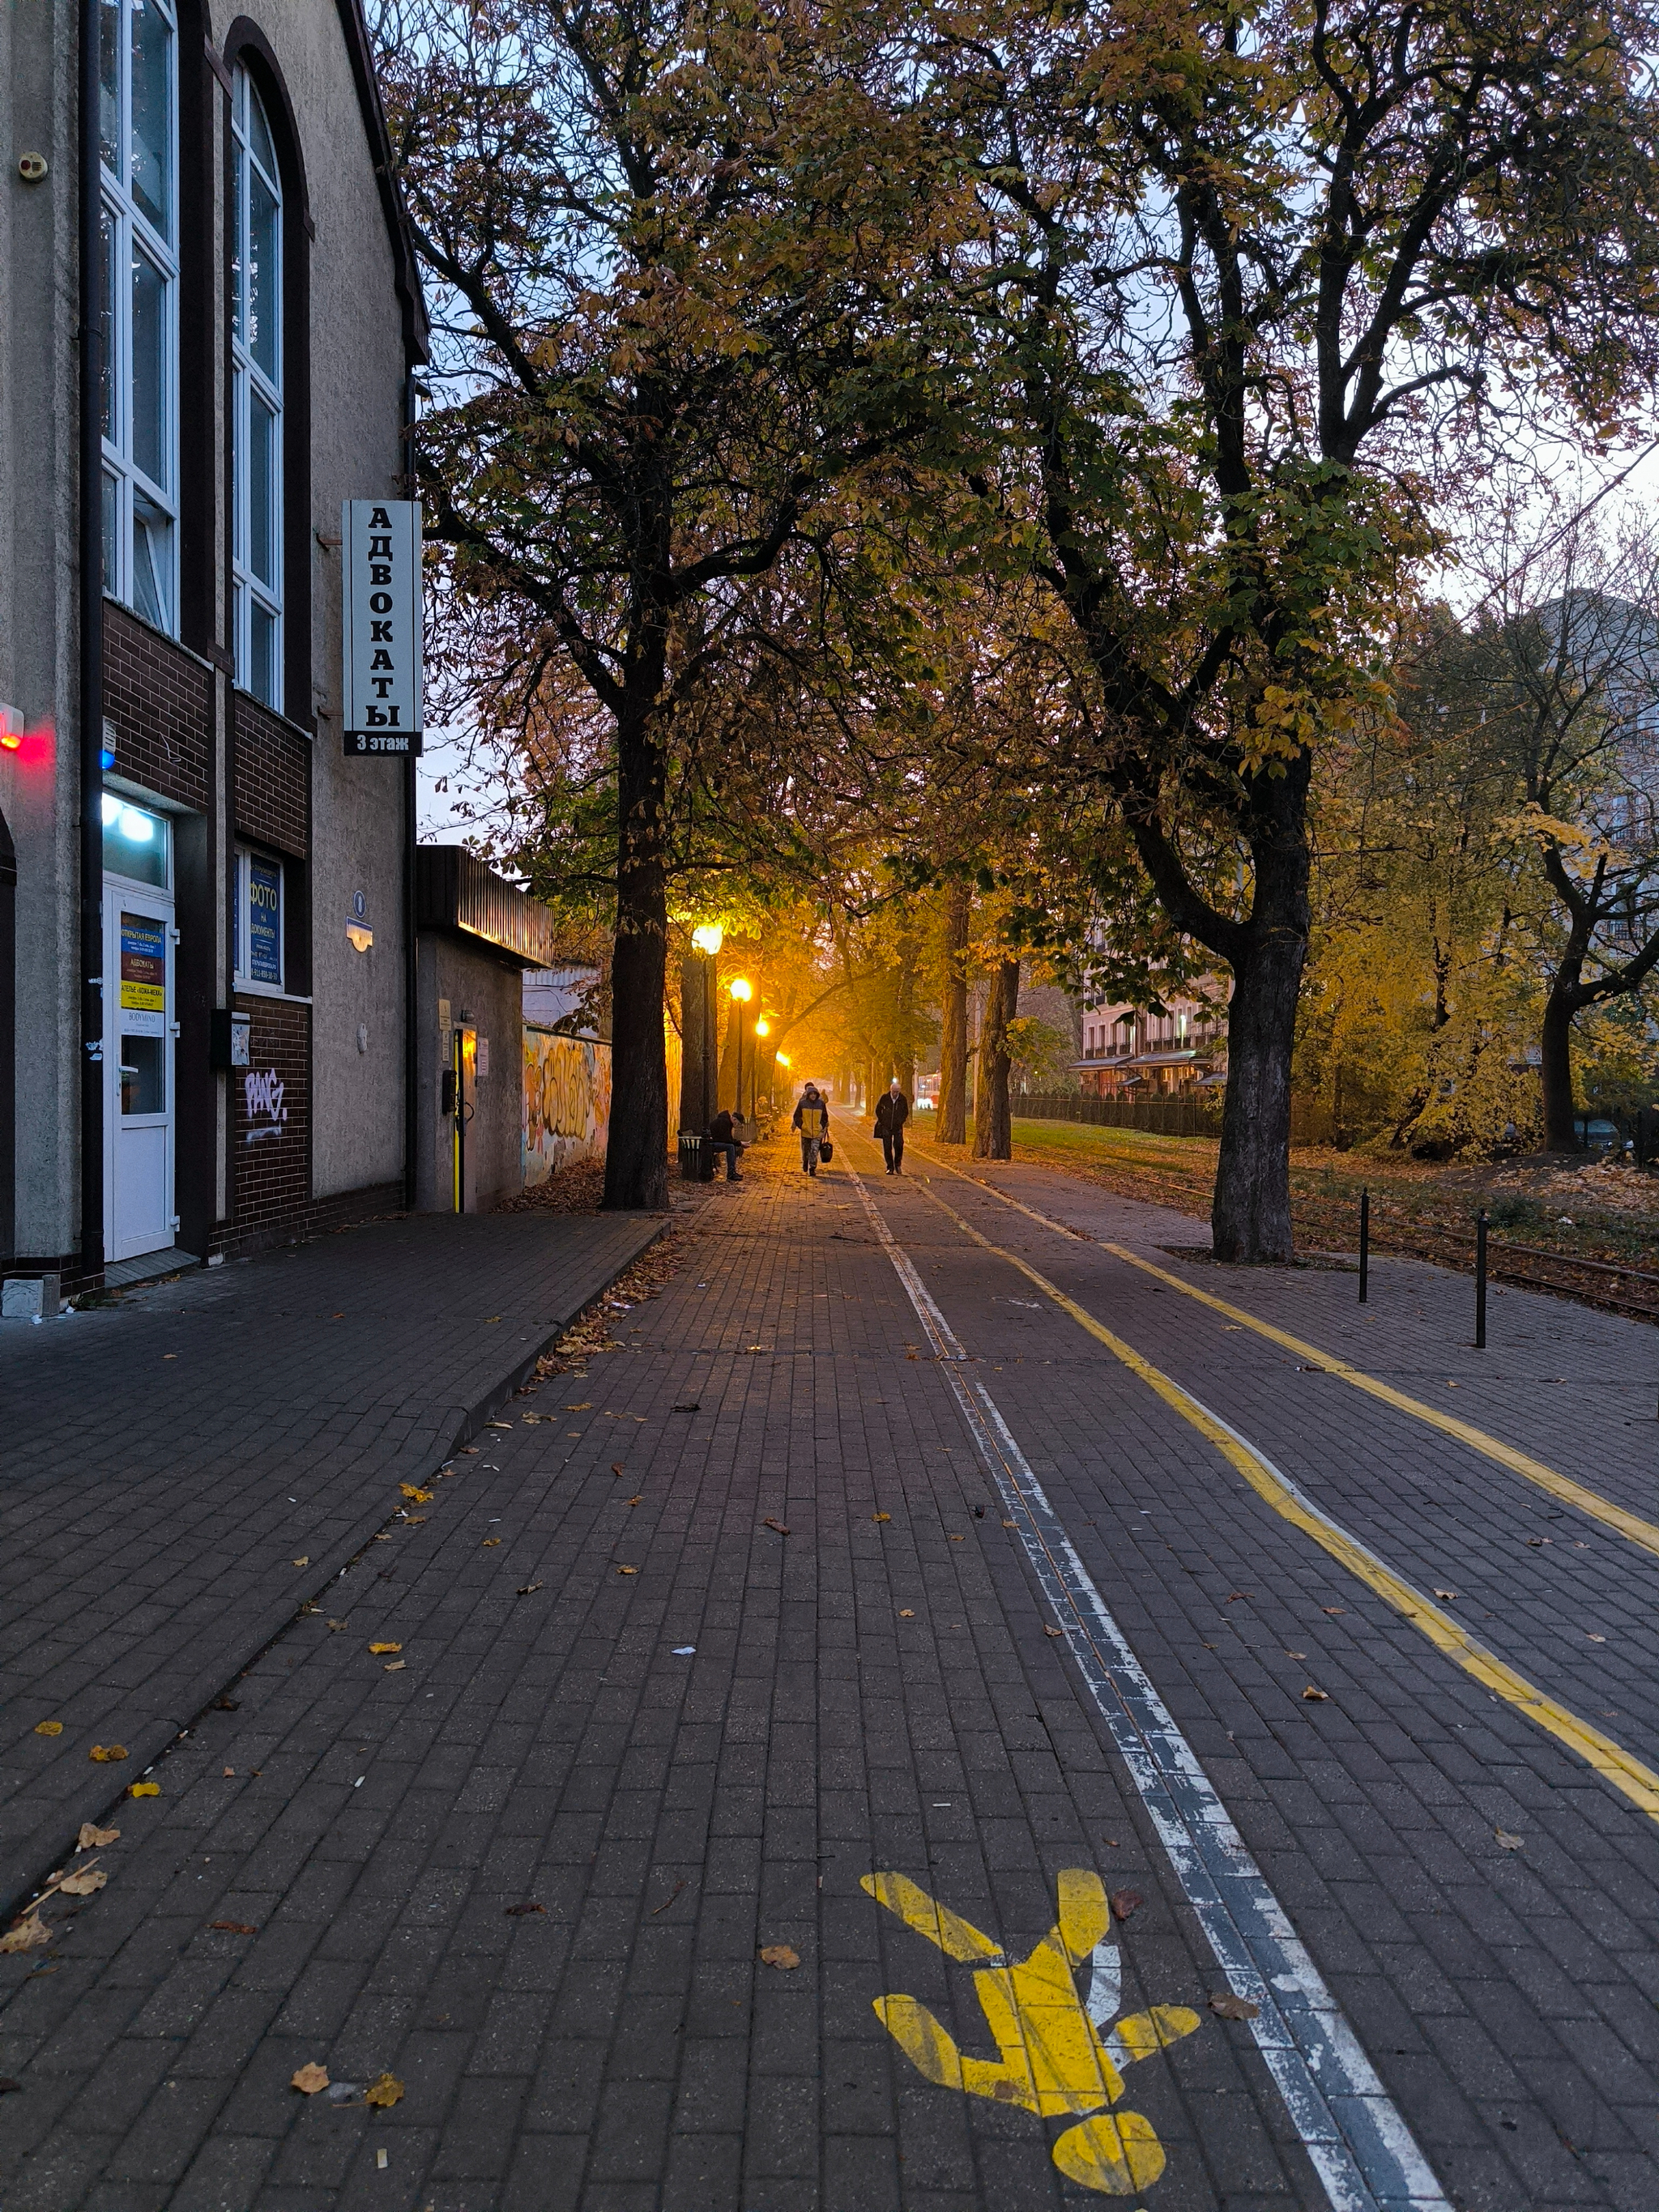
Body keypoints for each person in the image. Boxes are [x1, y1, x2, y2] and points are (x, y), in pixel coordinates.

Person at [791, 1084, 829, 1175]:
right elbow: (797, 1116)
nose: (813, 1095)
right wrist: (801, 1126)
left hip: (816, 1132)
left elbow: (825, 1117)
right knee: (805, 1150)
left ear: (817, 1095)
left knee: (814, 1151)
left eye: (814, 1094)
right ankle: (805, 1161)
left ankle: (812, 1167)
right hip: (806, 1132)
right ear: (808, 1094)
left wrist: (821, 1126)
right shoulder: (802, 1103)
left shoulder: (821, 1104)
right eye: (811, 1094)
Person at [874, 1078, 910, 1174]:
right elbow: (878, 1110)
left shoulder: (902, 1099)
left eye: (897, 1092)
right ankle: (890, 1167)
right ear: (891, 1090)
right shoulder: (885, 1098)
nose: (895, 1094)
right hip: (886, 1126)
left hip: (897, 1126)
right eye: (894, 1092)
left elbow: (905, 1112)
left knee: (899, 1145)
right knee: (887, 1147)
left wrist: (901, 1121)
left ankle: (897, 1164)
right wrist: (883, 1120)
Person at [709, 1106, 742, 1182]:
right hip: (711, 1144)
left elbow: (727, 1139)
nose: (736, 1126)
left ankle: (732, 1171)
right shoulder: (724, 1122)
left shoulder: (726, 1122)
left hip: (712, 1142)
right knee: (730, 1147)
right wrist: (740, 1143)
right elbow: (726, 1139)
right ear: (734, 1119)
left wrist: (739, 1143)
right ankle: (731, 1173)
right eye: (737, 1123)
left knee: (732, 1146)